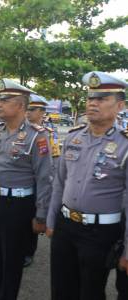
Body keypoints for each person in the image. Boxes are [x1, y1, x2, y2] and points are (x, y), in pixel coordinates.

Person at [46, 71, 128, 300]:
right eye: (91, 98)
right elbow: (59, 184)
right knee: (61, 290)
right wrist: (52, 221)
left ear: (120, 105)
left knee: (90, 293)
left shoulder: (125, 144)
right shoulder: (74, 137)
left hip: (100, 233)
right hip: (65, 226)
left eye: (102, 98)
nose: (93, 103)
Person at [0, 78, 53, 300]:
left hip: (17, 206)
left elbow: (44, 178)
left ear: (20, 105)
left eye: (4, 99)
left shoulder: (37, 135)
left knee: (11, 262)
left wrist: (41, 214)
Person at [23, 93, 61, 267]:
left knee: (34, 216)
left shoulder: (48, 134)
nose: (28, 113)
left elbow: (54, 162)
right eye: (27, 109)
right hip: (23, 183)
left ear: (41, 112)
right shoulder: (21, 131)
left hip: (40, 181)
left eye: (32, 110)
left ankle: (29, 251)